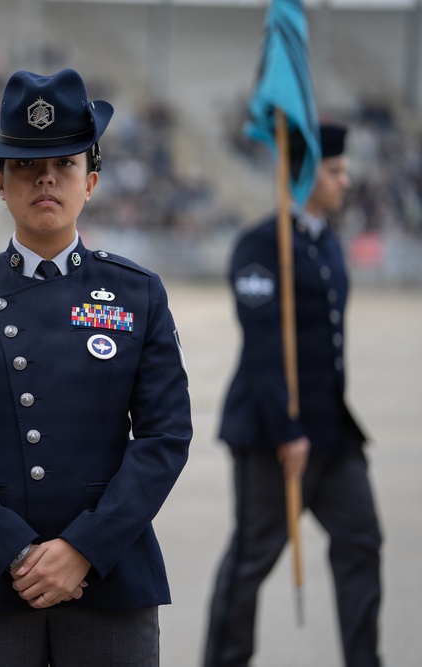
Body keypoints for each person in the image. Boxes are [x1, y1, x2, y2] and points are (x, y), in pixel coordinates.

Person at [0, 68, 192, 667]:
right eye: (26, 165)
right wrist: (14, 551)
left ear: (90, 182)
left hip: (107, 574)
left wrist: (83, 548)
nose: (45, 178)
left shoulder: (137, 293)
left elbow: (164, 437)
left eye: (64, 163)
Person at [203, 123, 382, 667]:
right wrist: (287, 430)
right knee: (252, 558)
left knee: (362, 540)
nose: (345, 180)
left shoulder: (326, 241)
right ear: (303, 174)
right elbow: (262, 347)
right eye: (335, 171)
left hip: (332, 434)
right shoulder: (261, 245)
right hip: (272, 435)